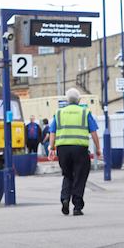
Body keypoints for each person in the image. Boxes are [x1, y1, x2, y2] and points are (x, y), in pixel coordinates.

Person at [48, 88, 101, 216]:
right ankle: (77, 206)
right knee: (80, 176)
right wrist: (98, 148)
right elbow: (93, 132)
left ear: (67, 100)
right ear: (79, 100)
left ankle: (65, 198)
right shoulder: (85, 112)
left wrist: (51, 148)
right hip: (80, 149)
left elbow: (52, 132)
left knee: (67, 174)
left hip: (63, 149)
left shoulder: (59, 113)